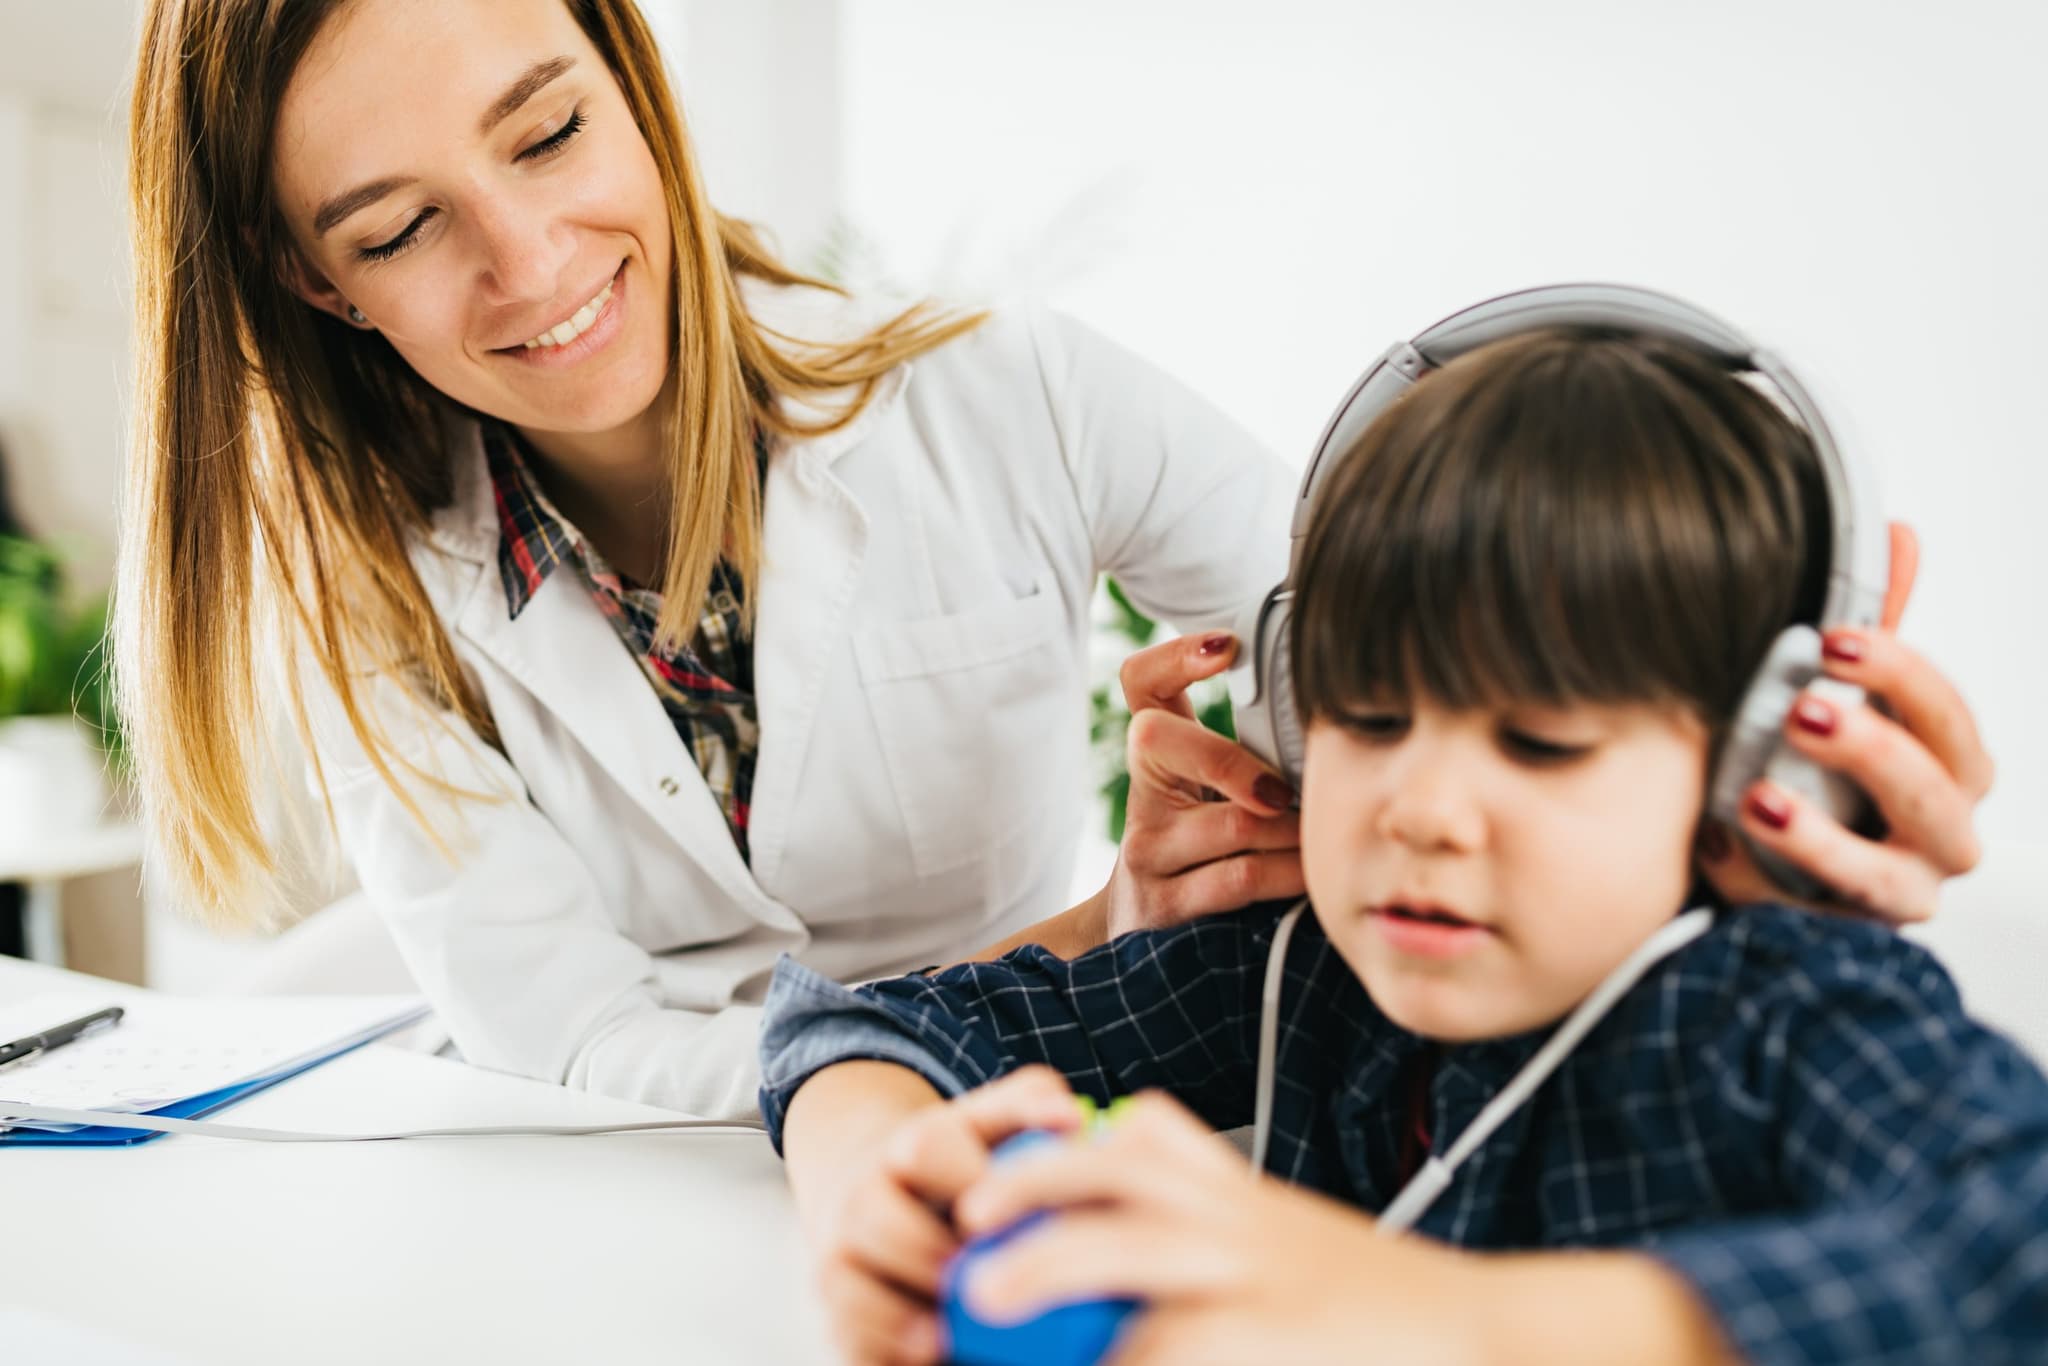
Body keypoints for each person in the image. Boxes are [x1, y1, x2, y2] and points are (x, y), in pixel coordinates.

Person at [118, 0, 1992, 1121]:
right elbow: (575, 1054)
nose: (530, 263)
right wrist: (1078, 938)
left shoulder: (998, 390)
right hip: (651, 1196)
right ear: (311, 277)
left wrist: (1708, 806)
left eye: (549, 129)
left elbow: (1348, 638)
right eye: (399, 226)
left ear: (630, 75)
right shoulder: (369, 602)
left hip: (1056, 1112)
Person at [758, 325, 2048, 1365]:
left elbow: (2015, 1239)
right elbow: (849, 1026)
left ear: (1753, 767)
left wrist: (1417, 1310)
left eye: (1541, 743)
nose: (1419, 810)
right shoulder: (1299, 972)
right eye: (1368, 720)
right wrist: (879, 1182)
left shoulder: (1781, 1009)